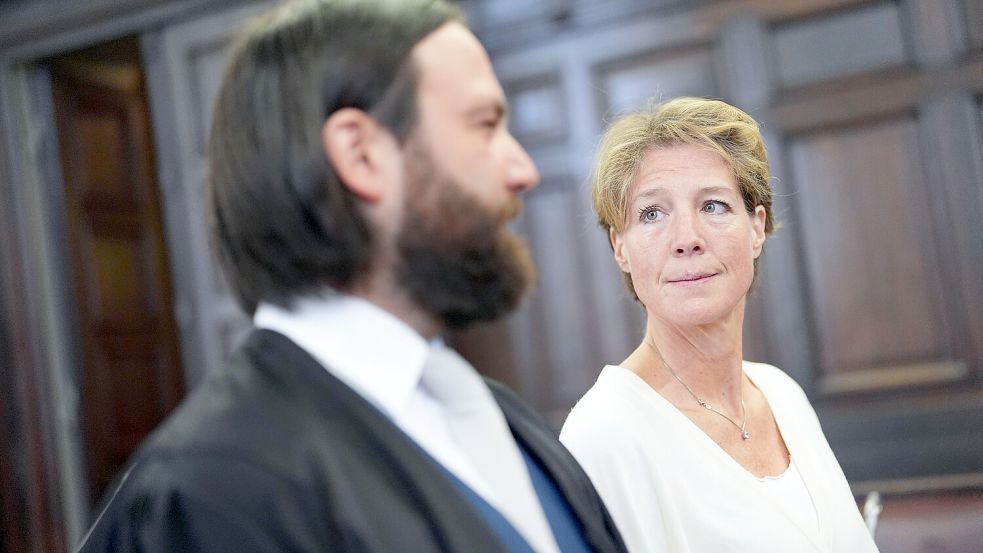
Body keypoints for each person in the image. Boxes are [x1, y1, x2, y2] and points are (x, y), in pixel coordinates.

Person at [75, 1, 628, 552]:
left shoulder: (505, 420)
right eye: (485, 125)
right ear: (361, 155)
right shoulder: (216, 491)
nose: (522, 171)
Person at [559, 97, 879, 553]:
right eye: (652, 214)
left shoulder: (781, 394)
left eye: (713, 206)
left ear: (756, 227)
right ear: (620, 248)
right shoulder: (604, 433)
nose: (687, 239)